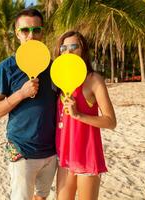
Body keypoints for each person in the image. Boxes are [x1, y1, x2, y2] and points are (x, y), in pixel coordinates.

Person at [0, 8, 57, 200]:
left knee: (41, 197)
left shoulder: (53, 67)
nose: (31, 36)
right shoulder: (7, 67)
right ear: (17, 34)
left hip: (51, 151)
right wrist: (21, 93)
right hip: (21, 150)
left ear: (43, 33)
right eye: (25, 30)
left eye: (37, 30)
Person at [54, 31, 117, 200]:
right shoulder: (59, 80)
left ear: (83, 50)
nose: (68, 52)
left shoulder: (94, 80)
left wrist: (79, 115)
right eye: (63, 47)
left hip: (86, 155)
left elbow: (111, 121)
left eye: (74, 47)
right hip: (65, 156)